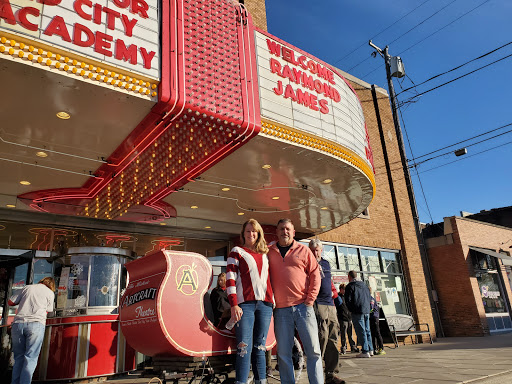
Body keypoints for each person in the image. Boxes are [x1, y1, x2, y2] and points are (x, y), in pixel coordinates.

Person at [268, 218, 323, 384]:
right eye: (281, 229)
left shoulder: (304, 250)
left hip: (303, 308)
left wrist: (310, 299)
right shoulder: (269, 251)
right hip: (281, 311)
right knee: (283, 354)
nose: (284, 232)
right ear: (277, 232)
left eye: (288, 229)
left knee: (313, 351)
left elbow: (315, 274)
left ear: (293, 232)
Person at [226, 219, 274, 384]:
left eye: (254, 231)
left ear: (259, 233)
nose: (251, 234)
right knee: (243, 348)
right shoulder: (237, 251)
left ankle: (261, 381)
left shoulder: (266, 254)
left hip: (266, 305)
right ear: (243, 233)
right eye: (248, 231)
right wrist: (234, 304)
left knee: (260, 348)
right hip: (244, 305)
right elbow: (230, 279)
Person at [309, 239, 345, 384]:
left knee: (333, 338)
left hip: (330, 305)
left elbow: (329, 282)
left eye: (317, 250)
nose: (315, 252)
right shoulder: (307, 262)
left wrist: (335, 296)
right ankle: (317, 374)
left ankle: (331, 374)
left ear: (321, 250)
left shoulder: (326, 263)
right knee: (321, 338)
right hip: (317, 304)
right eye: (312, 250)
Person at [8, 277, 56, 384]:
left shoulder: (27, 288)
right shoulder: (50, 293)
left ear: (41, 281)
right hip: (36, 325)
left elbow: (10, 302)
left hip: (18, 324)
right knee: (30, 358)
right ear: (52, 286)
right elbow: (49, 310)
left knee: (18, 357)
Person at [344, 271, 373, 358]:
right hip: (366, 310)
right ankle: (370, 349)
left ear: (349, 276)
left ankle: (365, 350)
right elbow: (369, 296)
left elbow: (347, 300)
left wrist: (351, 310)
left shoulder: (350, 286)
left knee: (361, 331)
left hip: (357, 311)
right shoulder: (364, 285)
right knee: (367, 330)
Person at [335, 284, 358, 354]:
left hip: (349, 317)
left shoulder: (347, 296)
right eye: (344, 289)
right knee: (343, 334)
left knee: (350, 333)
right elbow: (338, 307)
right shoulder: (338, 297)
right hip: (342, 318)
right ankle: (343, 347)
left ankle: (353, 346)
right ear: (341, 289)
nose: (345, 291)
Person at [369, 288, 385, 355]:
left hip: (374, 317)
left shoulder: (371, 299)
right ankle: (374, 348)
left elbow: (371, 308)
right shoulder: (369, 299)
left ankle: (381, 348)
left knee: (377, 332)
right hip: (371, 317)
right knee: (372, 334)